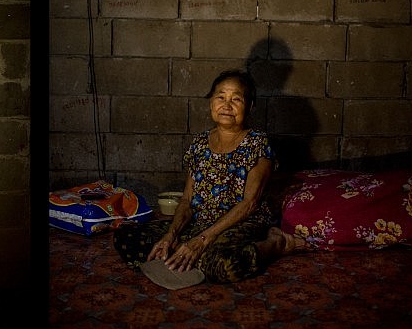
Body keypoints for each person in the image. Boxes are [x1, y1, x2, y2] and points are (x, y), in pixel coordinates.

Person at [114, 69, 305, 283]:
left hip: (240, 222)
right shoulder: (199, 143)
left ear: (249, 107)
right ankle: (188, 252)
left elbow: (249, 203)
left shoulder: (257, 143)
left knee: (226, 265)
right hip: (201, 221)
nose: (227, 105)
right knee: (126, 236)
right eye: (221, 97)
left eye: (236, 99)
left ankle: (276, 244)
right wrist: (171, 235)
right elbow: (186, 200)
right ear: (211, 102)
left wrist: (202, 240)